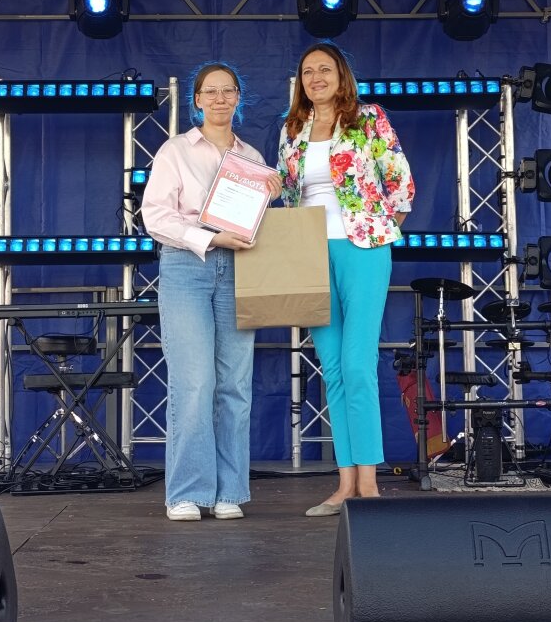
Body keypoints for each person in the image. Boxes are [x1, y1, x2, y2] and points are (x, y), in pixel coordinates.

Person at [277, 42, 415, 516]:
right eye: (307, 71)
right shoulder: (291, 129)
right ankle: (345, 485)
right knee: (332, 369)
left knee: (358, 365)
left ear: (341, 76)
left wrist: (379, 228)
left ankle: (369, 485)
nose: (315, 77)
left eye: (325, 69)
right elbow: (287, 193)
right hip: (309, 254)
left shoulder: (368, 118)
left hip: (363, 248)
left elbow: (400, 182)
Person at [141, 62, 282, 521]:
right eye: (211, 91)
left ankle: (229, 492)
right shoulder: (175, 150)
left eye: (228, 91)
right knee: (194, 381)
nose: (220, 98)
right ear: (197, 100)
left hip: (240, 269)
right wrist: (209, 237)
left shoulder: (253, 158)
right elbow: (155, 217)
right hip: (187, 266)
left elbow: (257, 226)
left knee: (235, 385)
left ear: (238, 98)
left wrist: (270, 198)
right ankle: (187, 492)